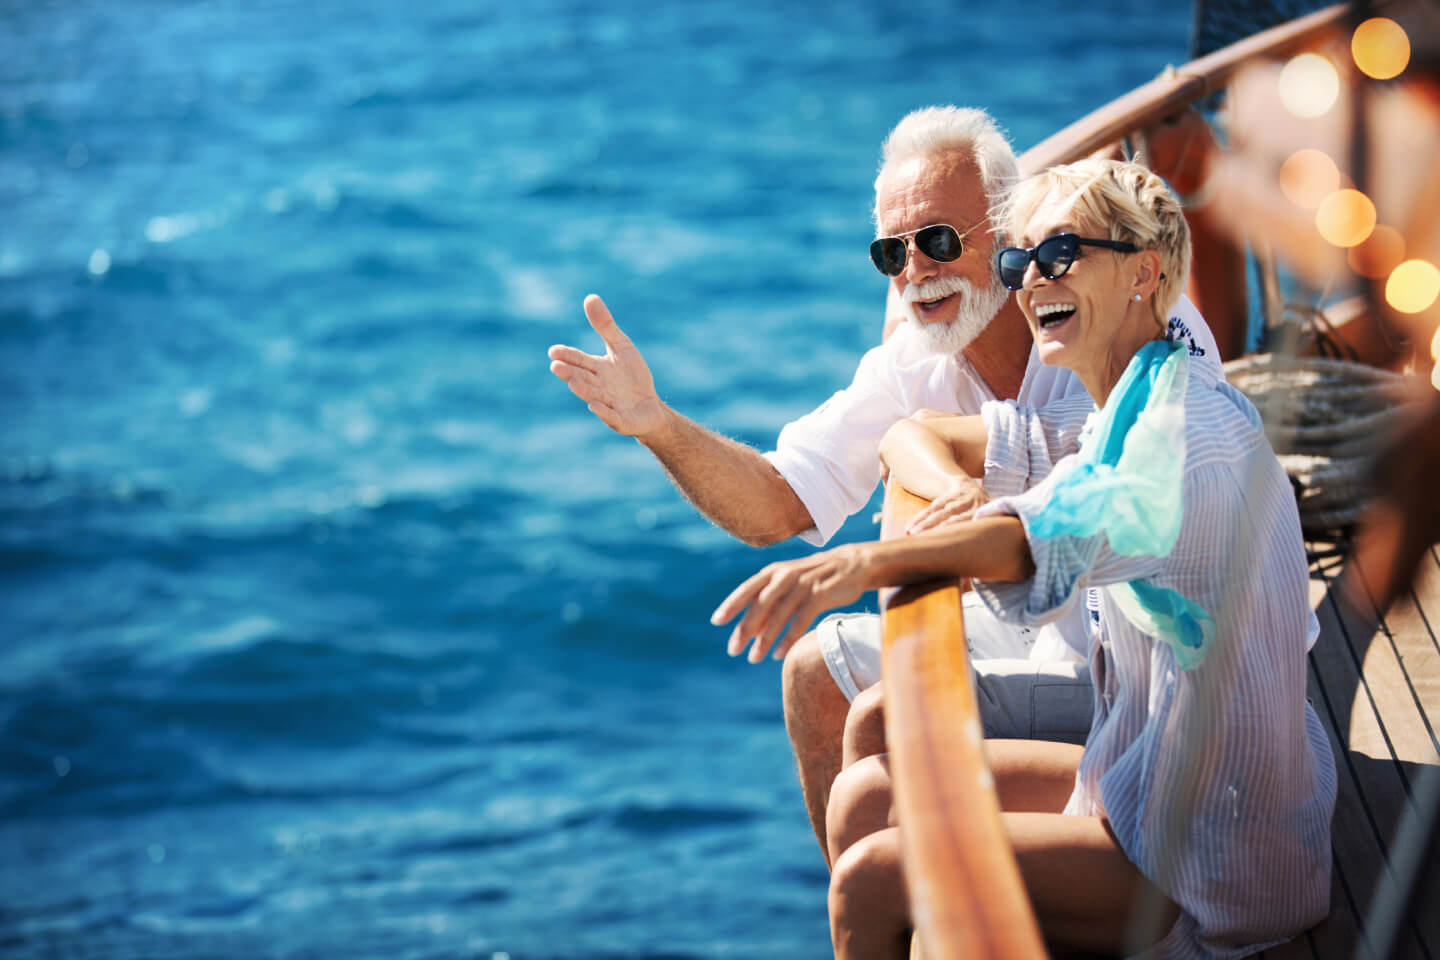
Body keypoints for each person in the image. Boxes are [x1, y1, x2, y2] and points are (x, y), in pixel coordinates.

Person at [548, 105, 1222, 862]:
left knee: (884, 751)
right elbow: (779, 498)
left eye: (937, 242)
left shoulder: (1119, 321)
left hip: (1153, 674)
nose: (913, 274)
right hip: (1041, 631)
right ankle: (871, 912)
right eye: (889, 255)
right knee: (817, 674)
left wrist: (905, 546)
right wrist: (658, 425)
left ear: (1012, 233)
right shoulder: (915, 362)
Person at [712, 157, 1337, 958]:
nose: (1031, 281)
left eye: (1062, 255)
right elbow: (966, 447)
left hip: (1218, 846)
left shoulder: (1180, 445)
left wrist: (860, 568)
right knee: (870, 792)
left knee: (875, 877)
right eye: (1020, 260)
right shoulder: (1130, 400)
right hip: (1145, 775)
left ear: (1144, 271)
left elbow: (1035, 540)